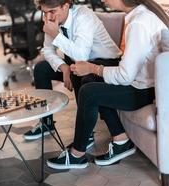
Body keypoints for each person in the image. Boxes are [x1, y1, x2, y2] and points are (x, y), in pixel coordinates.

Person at [47, 0, 169, 170]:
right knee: (89, 79)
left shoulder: (139, 23)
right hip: (142, 83)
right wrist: (92, 71)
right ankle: (121, 141)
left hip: (144, 91)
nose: (103, 0)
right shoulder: (139, 15)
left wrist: (93, 67)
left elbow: (125, 76)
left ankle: (77, 154)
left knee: (89, 92)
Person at [23, 0, 122, 144]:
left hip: (106, 63)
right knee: (41, 69)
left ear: (66, 5)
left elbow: (81, 56)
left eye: (52, 11)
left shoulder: (83, 16)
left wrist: (56, 35)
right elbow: (48, 50)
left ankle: (86, 135)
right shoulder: (53, 19)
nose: (48, 17)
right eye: (44, 12)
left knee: (77, 70)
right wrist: (63, 67)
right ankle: (47, 123)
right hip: (78, 62)